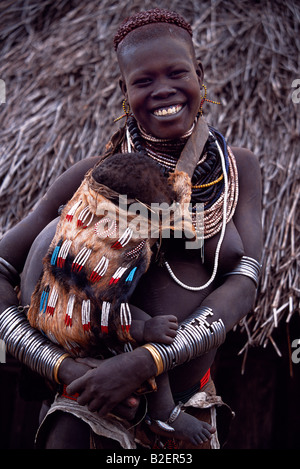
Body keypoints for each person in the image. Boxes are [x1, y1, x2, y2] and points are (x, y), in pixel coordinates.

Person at [0, 9, 262, 449]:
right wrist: (59, 366)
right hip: (92, 408)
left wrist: (149, 360)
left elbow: (247, 282)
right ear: (125, 91)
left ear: (198, 75)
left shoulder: (240, 169)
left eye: (177, 72)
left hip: (186, 409)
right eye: (143, 81)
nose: (163, 90)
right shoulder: (93, 175)